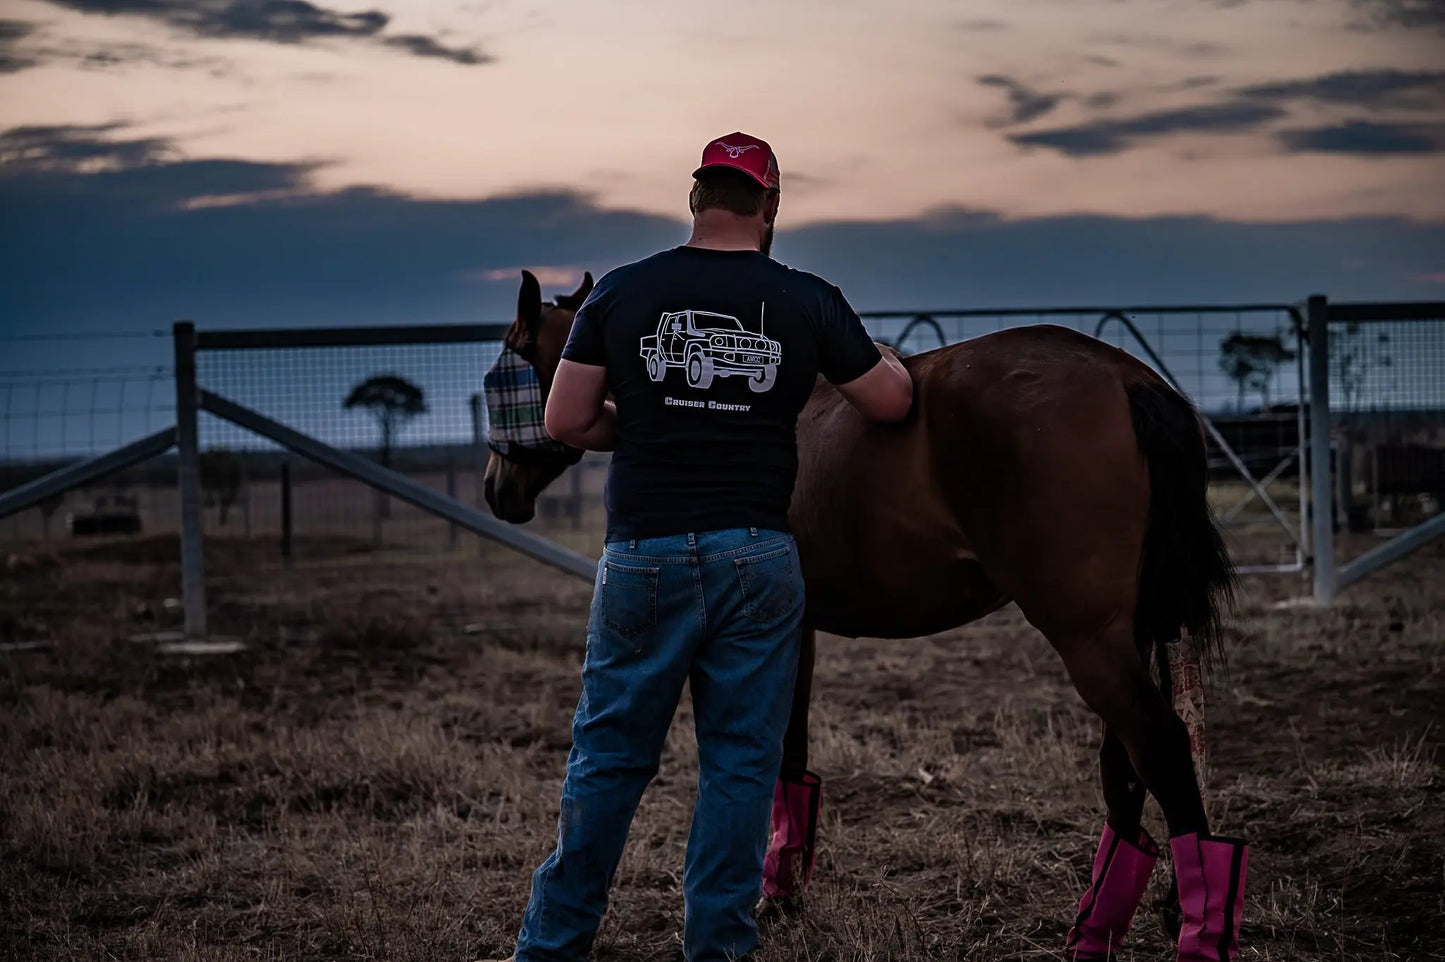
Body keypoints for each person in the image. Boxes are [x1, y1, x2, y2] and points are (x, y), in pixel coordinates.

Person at [484, 132, 913, 962]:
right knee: (740, 766)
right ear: (770, 205)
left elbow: (564, 420)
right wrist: (880, 357)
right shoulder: (807, 298)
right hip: (756, 553)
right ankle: (716, 948)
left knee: (607, 759)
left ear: (694, 199)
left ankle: (551, 947)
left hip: (642, 554)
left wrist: (649, 423)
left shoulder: (622, 292)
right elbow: (890, 402)